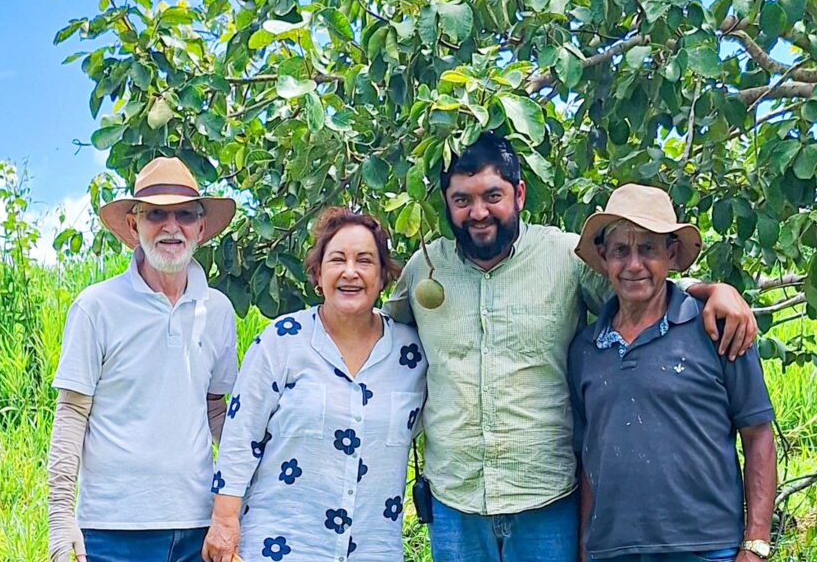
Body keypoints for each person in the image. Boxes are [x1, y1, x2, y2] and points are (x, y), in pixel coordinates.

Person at [384, 132, 758, 562]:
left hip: (547, 500)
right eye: (462, 200)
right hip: (455, 502)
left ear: (519, 193)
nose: (479, 213)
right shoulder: (424, 270)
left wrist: (713, 290)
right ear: (447, 202)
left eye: (493, 195)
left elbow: (641, 285)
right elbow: (379, 334)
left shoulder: (564, 257)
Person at [202, 207, 428, 562]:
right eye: (337, 259)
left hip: (374, 548)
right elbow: (240, 437)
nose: (350, 272)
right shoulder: (281, 341)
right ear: (317, 275)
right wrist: (224, 521)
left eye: (365, 261)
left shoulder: (412, 353)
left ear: (384, 276)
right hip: (279, 546)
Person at [568, 183, 776, 562]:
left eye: (648, 248)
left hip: (706, 549)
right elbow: (588, 457)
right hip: (612, 552)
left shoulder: (717, 329)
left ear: (671, 253)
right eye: (620, 250)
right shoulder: (585, 349)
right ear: (603, 256)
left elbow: (757, 434)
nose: (634, 265)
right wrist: (585, 548)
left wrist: (756, 543)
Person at [46, 156, 239, 562]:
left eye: (185, 215)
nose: (172, 228)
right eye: (156, 215)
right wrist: (61, 519)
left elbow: (216, 410)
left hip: (196, 527)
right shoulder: (96, 307)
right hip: (112, 529)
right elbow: (71, 413)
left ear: (201, 228)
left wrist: (241, 499)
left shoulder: (218, 310)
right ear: (134, 226)